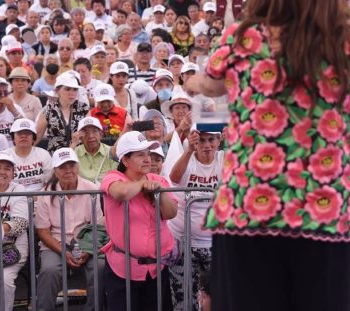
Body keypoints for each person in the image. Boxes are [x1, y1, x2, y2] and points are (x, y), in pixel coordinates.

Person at [184, 0, 350, 311]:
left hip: (249, 212)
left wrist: (195, 82)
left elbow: (209, 83)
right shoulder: (347, 44)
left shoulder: (244, 39)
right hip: (326, 214)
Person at [100, 131, 177, 311]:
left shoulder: (158, 180)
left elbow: (171, 213)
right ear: (125, 161)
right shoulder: (113, 177)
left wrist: (159, 193)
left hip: (157, 269)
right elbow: (121, 193)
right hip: (124, 270)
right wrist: (142, 185)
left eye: (148, 153)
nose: (147, 158)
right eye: (140, 154)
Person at [35, 147, 105, 311]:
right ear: (55, 171)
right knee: (49, 269)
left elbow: (98, 226)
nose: (68, 170)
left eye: (71, 165)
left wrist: (87, 250)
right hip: (56, 243)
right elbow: (43, 232)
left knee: (100, 267)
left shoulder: (92, 189)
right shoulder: (45, 193)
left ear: (78, 167)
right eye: (62, 167)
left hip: (87, 241)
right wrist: (63, 252)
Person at [166, 128, 224, 311]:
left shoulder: (224, 158)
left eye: (212, 140)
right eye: (202, 141)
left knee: (217, 296)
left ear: (219, 141)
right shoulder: (188, 158)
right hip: (183, 243)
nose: (207, 145)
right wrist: (189, 150)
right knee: (182, 298)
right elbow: (174, 178)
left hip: (214, 243)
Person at [0, 152, 29, 311]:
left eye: (7, 168)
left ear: (13, 173)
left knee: (2, 281)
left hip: (11, 250)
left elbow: (21, 223)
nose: (2, 172)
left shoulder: (19, 189)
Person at [35, 72, 90, 154]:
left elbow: (89, 134)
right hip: (55, 157)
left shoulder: (84, 108)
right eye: (67, 89)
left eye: (75, 89)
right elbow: (36, 137)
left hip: (79, 156)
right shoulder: (48, 110)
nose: (72, 93)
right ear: (57, 91)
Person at [6, 118, 53, 191]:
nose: (23, 136)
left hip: (40, 197)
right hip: (12, 197)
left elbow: (49, 181)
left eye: (27, 133)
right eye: (19, 133)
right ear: (13, 138)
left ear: (33, 138)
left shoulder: (44, 154)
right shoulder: (5, 156)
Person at [70, 116, 117, 185]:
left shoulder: (110, 151)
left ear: (101, 134)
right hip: (82, 193)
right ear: (80, 137)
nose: (91, 136)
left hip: (106, 192)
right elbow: (60, 170)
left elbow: (115, 177)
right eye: (86, 132)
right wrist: (73, 144)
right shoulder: (74, 152)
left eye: (94, 131)